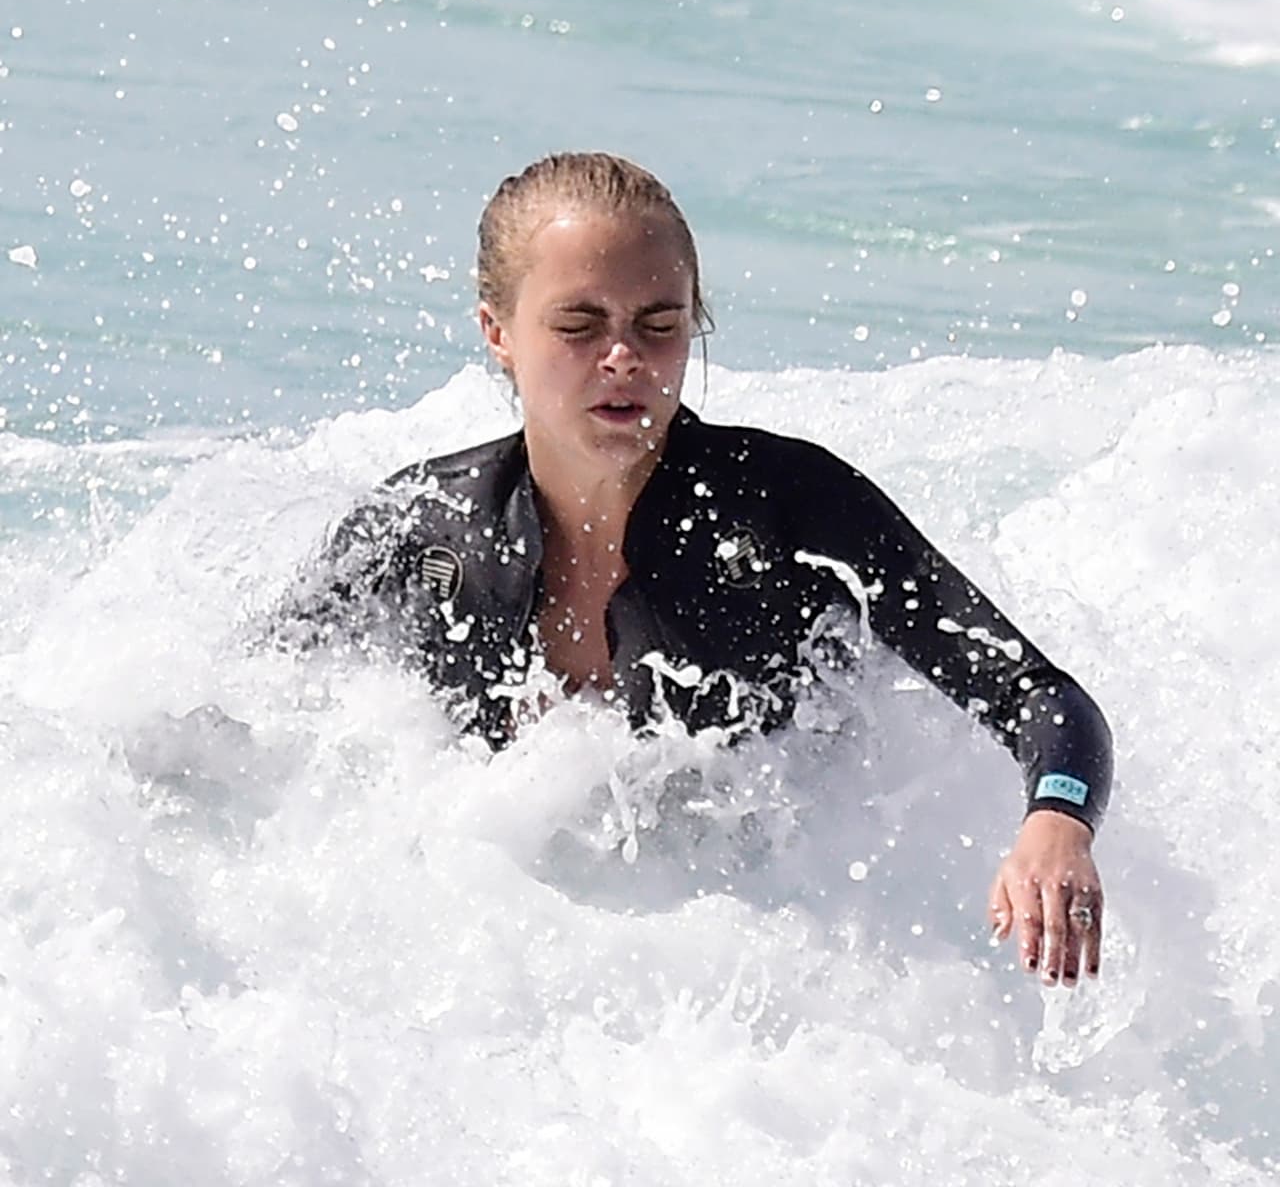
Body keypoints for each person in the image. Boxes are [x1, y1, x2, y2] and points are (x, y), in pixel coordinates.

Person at [279, 152, 1112, 989]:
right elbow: (252, 709)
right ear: (497, 331)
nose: (623, 358)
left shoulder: (790, 509)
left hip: (772, 983)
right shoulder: (428, 527)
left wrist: (1059, 819)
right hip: (497, 981)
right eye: (579, 325)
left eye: (658, 324)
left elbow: (1037, 696)